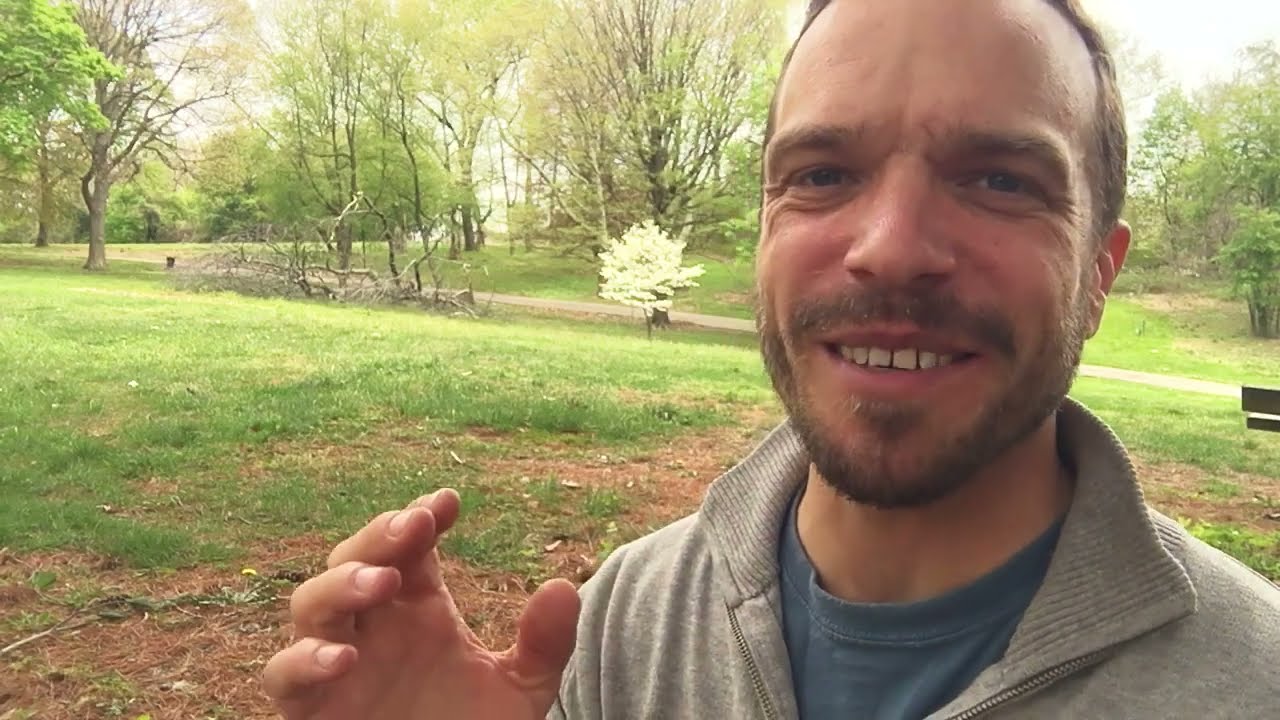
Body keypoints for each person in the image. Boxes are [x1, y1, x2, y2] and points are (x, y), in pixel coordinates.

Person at [262, 0, 1280, 717]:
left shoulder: (1255, 677)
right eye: (821, 172)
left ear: (1097, 276)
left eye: (999, 180)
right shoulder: (623, 622)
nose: (887, 245)